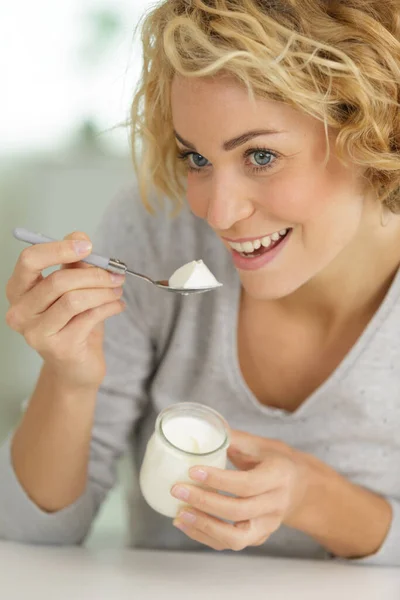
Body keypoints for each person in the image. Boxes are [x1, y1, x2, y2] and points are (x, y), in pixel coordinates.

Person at [1, 0, 400, 566]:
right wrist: (69, 380)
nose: (216, 213)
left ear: (374, 129)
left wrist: (315, 499)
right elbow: (27, 537)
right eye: (197, 157)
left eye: (261, 155)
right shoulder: (158, 228)